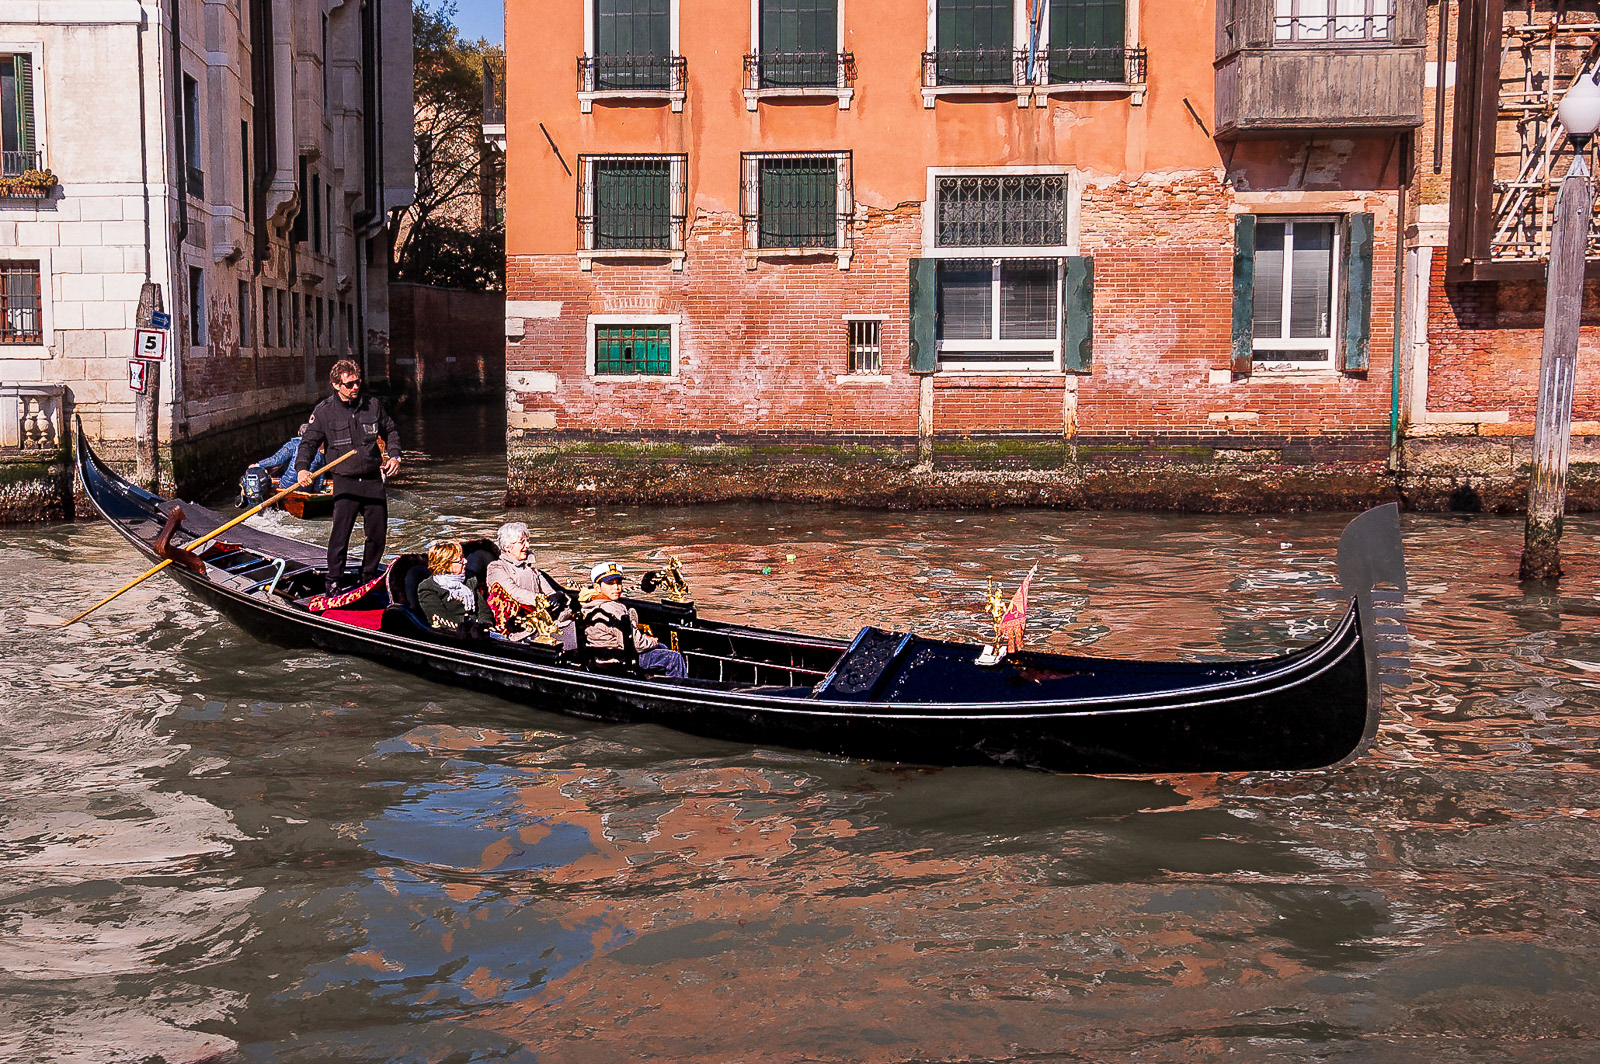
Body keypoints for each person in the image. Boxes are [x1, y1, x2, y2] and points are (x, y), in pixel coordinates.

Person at [295, 360, 401, 594]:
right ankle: (333, 581)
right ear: (336, 385)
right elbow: (308, 444)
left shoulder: (373, 405)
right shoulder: (324, 412)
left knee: (377, 534)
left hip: (372, 479)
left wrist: (395, 456)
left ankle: (368, 577)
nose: (355, 387)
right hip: (345, 481)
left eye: (358, 382)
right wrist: (302, 469)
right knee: (340, 534)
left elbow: (391, 431)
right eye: (349, 384)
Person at [579, 561, 688, 678]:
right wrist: (653, 641)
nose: (616, 587)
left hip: (602, 656)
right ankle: (677, 687)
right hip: (621, 658)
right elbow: (637, 644)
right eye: (610, 584)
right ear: (597, 587)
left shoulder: (589, 606)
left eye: (618, 582)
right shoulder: (612, 609)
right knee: (673, 658)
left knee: (662, 648)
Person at [484, 521, 575, 642]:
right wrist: (542, 601)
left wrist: (557, 596)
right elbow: (514, 592)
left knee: (573, 627)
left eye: (527, 541)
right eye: (522, 542)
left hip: (542, 617)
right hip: (518, 625)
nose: (527, 545)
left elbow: (549, 591)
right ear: (507, 547)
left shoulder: (531, 569)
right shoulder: (496, 567)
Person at [416, 540, 491, 635]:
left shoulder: (470, 580)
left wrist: (483, 626)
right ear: (445, 565)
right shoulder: (428, 587)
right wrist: (467, 629)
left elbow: (483, 610)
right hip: (450, 635)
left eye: (463, 557)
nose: (465, 561)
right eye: (460, 560)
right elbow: (440, 617)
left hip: (477, 632)